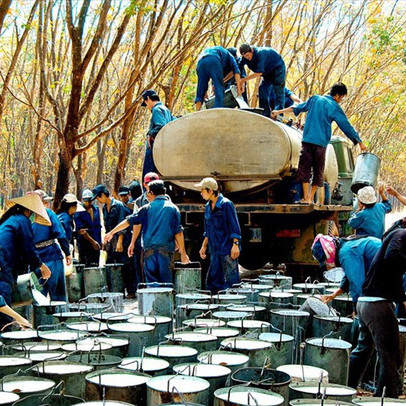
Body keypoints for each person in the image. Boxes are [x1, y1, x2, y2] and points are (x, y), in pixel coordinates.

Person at [272, 82, 367, 204]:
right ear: (337, 95)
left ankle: (305, 198)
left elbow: (297, 108)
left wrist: (279, 111)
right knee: (318, 171)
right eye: (342, 97)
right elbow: (346, 126)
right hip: (321, 144)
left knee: (304, 169)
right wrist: (359, 142)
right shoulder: (334, 107)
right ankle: (310, 198)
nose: (341, 100)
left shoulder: (315, 99)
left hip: (307, 141)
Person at [348, 228, 406, 397]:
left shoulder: (394, 237)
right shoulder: (401, 235)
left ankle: (347, 388)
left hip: (366, 303)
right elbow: (393, 256)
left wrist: (401, 298)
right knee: (390, 354)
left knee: (364, 349)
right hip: (377, 305)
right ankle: (387, 397)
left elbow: (392, 270)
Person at [104, 180, 190, 283]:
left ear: (152, 193)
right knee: (166, 284)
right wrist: (183, 253)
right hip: (166, 252)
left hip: (150, 252)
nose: (146, 195)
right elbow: (178, 232)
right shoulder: (173, 208)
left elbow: (128, 221)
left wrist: (111, 232)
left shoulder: (146, 208)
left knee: (152, 285)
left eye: (148, 192)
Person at [0, 194, 51, 327]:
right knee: (4, 307)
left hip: (5, 263)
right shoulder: (23, 221)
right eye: (33, 214)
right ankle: (6, 340)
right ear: (28, 211)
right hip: (3, 265)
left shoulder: (11, 220)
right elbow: (29, 248)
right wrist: (41, 266)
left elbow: (23, 251)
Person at [196, 177, 241, 294]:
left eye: (203, 191)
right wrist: (204, 246)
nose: (201, 193)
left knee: (231, 281)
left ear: (210, 191)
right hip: (214, 250)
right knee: (213, 281)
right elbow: (208, 228)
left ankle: (234, 305)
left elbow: (234, 226)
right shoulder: (207, 207)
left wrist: (235, 244)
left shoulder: (226, 204)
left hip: (227, 249)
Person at [312, 233, 381, 309]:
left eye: (325, 260)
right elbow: (349, 277)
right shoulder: (345, 246)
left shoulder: (346, 253)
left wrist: (356, 309)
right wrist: (333, 295)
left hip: (386, 262)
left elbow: (356, 283)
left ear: (328, 253)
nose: (327, 264)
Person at [31, 190, 71, 301]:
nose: (48, 205)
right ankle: (61, 317)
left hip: (35, 261)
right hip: (52, 257)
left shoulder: (25, 218)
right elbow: (61, 234)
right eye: (45, 202)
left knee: (38, 296)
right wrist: (67, 253)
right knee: (58, 295)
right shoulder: (48, 214)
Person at [239, 43, 286, 117]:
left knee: (278, 90)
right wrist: (239, 82)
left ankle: (279, 114)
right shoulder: (244, 58)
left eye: (248, 55)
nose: (247, 58)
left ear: (251, 51)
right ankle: (265, 112)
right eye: (244, 56)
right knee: (262, 89)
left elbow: (259, 73)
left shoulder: (260, 54)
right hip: (267, 73)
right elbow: (238, 68)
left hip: (277, 69)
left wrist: (244, 80)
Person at [141, 89, 175, 183]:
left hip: (155, 147)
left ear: (147, 99)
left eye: (146, 103)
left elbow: (161, 125)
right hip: (164, 148)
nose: (147, 107)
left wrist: (150, 134)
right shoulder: (166, 109)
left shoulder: (156, 109)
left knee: (148, 175)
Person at [195, 46, 242, 111]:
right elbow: (236, 72)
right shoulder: (231, 56)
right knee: (219, 89)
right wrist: (239, 90)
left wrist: (204, 91)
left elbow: (231, 73)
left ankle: (197, 111)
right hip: (213, 59)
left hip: (200, 61)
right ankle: (217, 111)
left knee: (200, 91)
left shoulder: (219, 51)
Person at [91, 184, 127, 264]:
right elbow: (106, 226)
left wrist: (120, 242)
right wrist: (105, 241)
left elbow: (122, 223)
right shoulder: (104, 208)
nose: (98, 200)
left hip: (119, 241)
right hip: (110, 243)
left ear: (103, 195)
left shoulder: (118, 205)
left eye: (98, 198)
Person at [74, 189, 102, 267]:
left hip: (96, 244)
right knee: (85, 266)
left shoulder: (96, 209)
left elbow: (98, 227)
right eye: (85, 201)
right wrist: (92, 242)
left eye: (89, 200)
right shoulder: (78, 212)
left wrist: (99, 242)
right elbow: (82, 231)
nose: (87, 203)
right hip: (85, 245)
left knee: (95, 266)